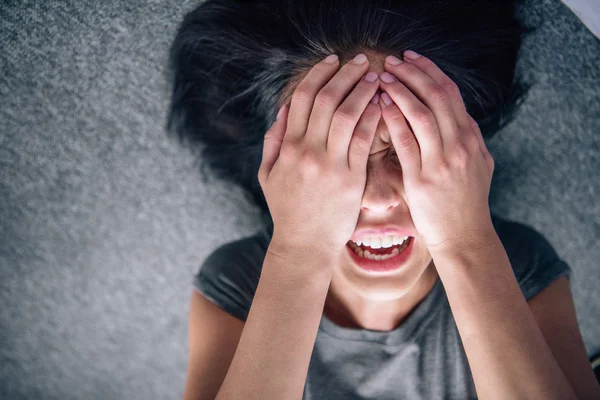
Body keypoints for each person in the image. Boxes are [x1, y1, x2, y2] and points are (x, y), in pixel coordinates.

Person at [166, 0, 600, 399]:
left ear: (462, 157)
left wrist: (467, 242)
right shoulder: (237, 280)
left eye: (410, 147)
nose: (376, 199)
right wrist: (300, 251)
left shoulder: (518, 265)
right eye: (332, 154)